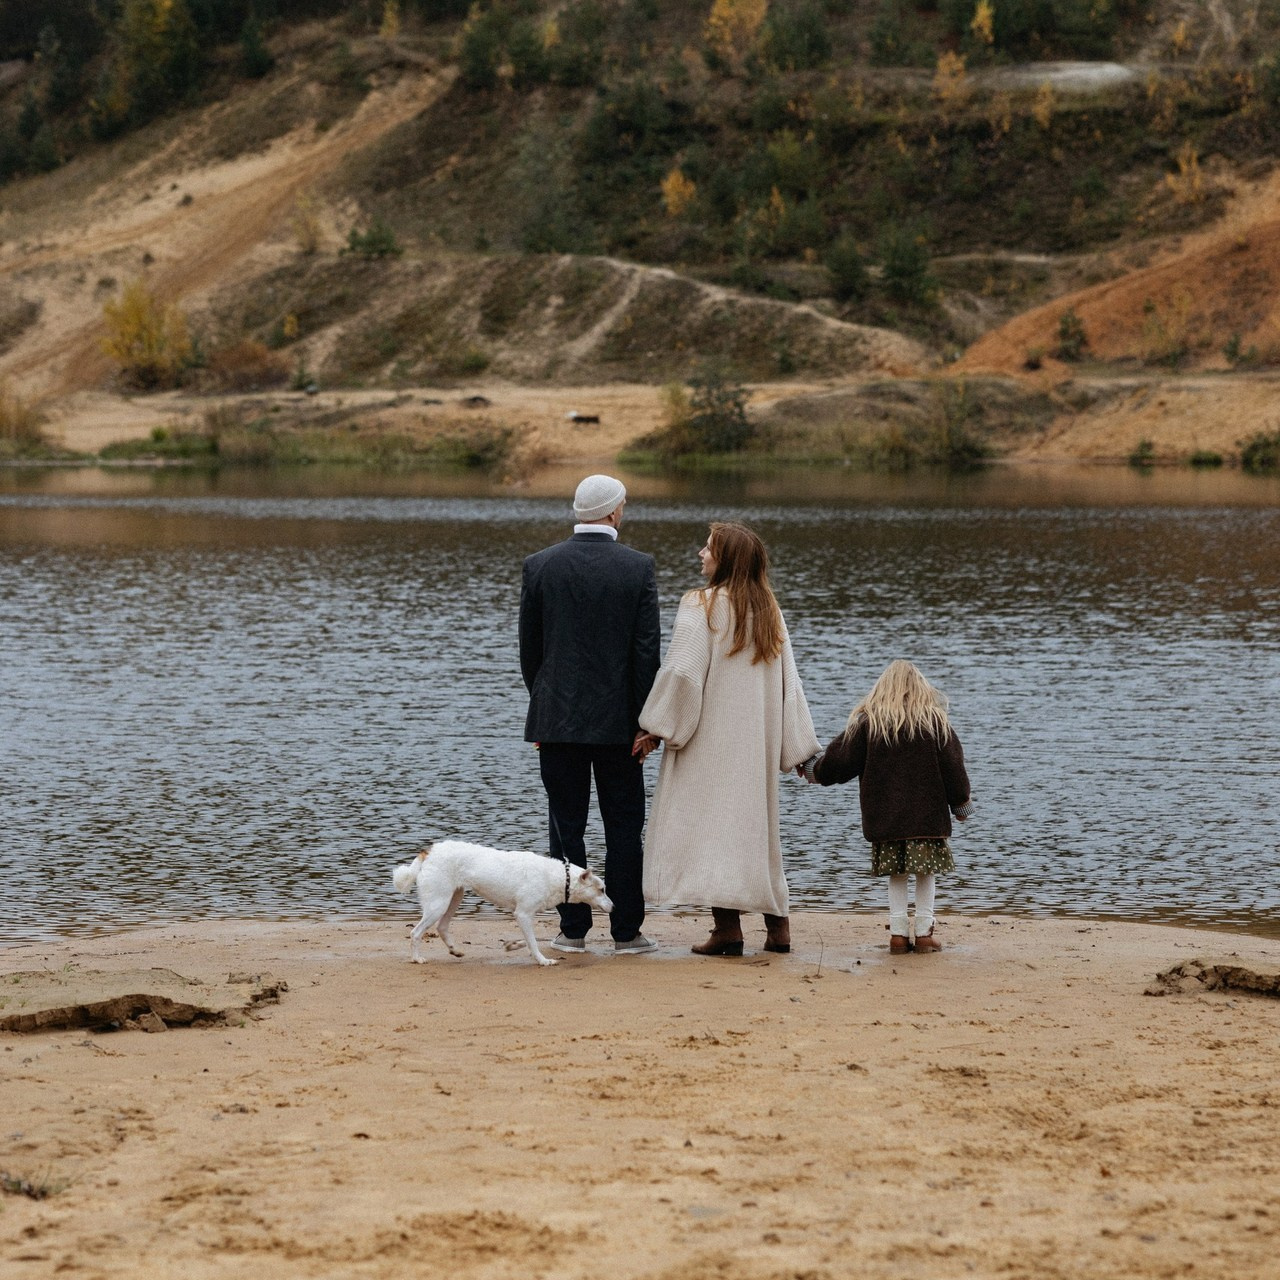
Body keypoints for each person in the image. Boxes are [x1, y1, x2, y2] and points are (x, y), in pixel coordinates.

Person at [633, 522, 820, 957]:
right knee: (755, 834)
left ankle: (728, 930)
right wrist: (798, 749)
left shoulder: (701, 605)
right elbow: (790, 685)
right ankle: (778, 930)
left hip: (709, 744)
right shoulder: (769, 609)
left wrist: (656, 728)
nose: (701, 554)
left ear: (727, 560)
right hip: (754, 745)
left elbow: (682, 674)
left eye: (709, 548)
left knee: (714, 832)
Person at [519, 474, 661, 953]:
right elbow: (645, 655)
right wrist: (645, 723)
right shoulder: (638, 567)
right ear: (615, 511)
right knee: (624, 828)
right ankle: (627, 932)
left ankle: (572, 931)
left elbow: (530, 653)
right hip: (621, 726)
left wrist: (546, 704)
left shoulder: (539, 565)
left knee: (565, 829)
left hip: (556, 721)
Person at [804, 660, 973, 954]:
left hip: (887, 820)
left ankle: (897, 934)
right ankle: (924, 933)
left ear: (882, 688)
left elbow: (839, 762)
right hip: (927, 819)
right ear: (921, 688)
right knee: (926, 873)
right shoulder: (936, 723)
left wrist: (813, 770)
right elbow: (954, 769)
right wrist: (961, 806)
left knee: (897, 874)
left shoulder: (870, 723)